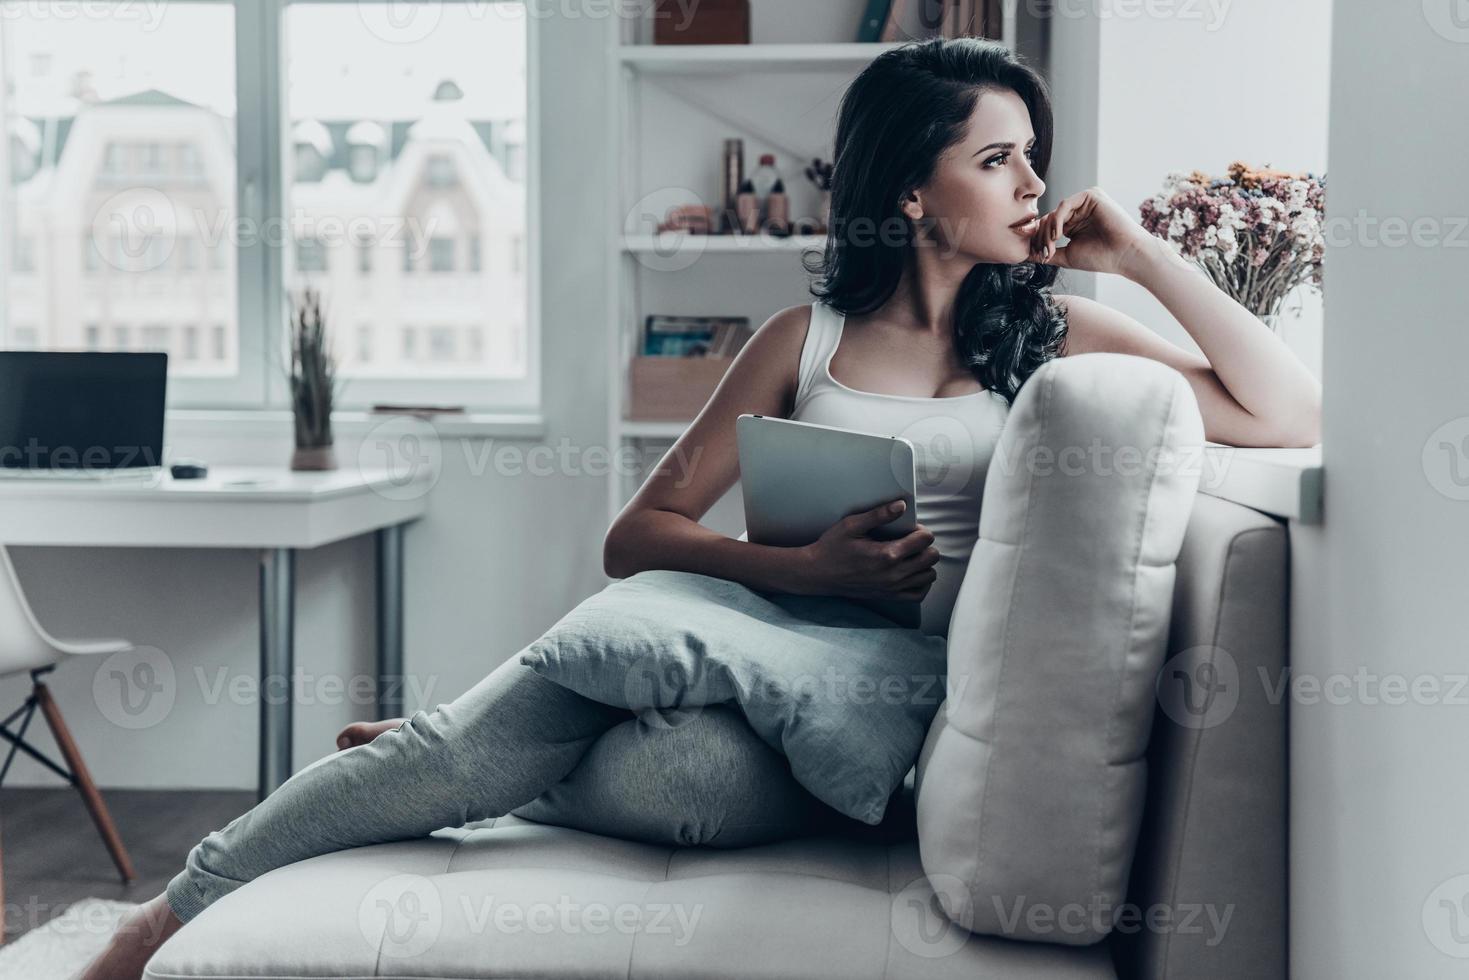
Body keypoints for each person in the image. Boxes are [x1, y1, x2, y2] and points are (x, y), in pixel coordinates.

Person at [80, 36, 1319, 980]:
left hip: (879, 696)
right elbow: (634, 540)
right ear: (907, 190)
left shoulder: (1051, 339)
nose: (1028, 181)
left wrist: (1144, 254)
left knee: (689, 788)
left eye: (1028, 157)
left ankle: (464, 749)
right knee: (492, 733)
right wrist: (809, 570)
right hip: (740, 624)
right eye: (994, 157)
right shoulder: (804, 339)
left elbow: (1280, 413)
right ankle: (162, 915)